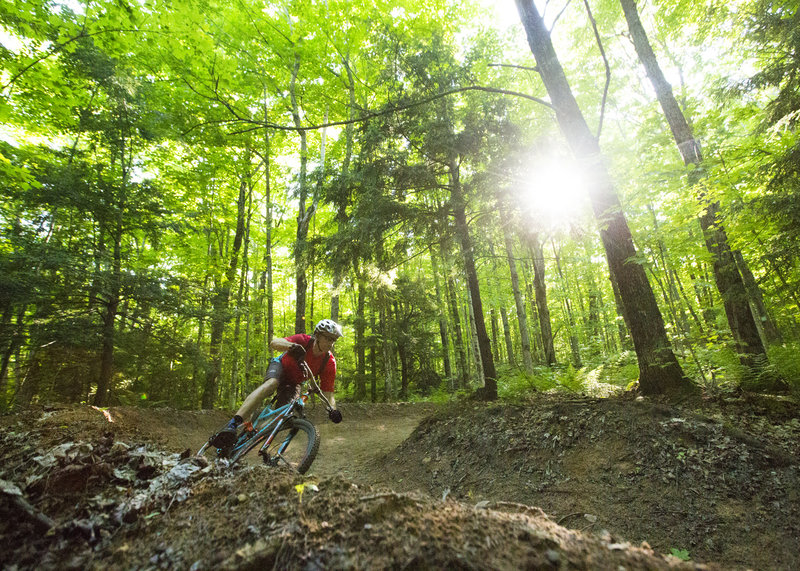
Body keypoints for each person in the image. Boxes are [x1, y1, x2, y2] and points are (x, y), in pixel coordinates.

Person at [209, 319, 344, 453]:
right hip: (280, 367)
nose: (330, 343)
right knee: (272, 384)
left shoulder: (329, 362)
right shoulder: (303, 340)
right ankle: (234, 423)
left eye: (333, 340)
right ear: (318, 335)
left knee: (283, 415)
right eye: (327, 338)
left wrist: (333, 410)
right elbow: (274, 343)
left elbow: (328, 392)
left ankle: (252, 432)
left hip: (294, 383)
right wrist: (292, 346)